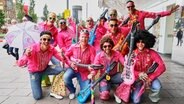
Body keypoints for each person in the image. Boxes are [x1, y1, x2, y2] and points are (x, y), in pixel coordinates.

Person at [118, 30, 166, 104]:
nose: (140, 44)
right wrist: (139, 74)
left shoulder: (152, 53)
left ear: (146, 42)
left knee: (157, 87)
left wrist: (151, 78)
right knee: (136, 101)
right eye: (138, 42)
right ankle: (136, 92)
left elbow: (162, 66)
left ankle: (153, 98)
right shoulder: (132, 54)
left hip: (149, 76)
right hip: (137, 78)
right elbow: (128, 70)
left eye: (142, 42)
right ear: (135, 43)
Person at [17, 31, 68, 100]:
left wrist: (63, 56)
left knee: (62, 69)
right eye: (44, 39)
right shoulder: (32, 48)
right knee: (37, 97)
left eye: (48, 39)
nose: (46, 41)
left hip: (45, 69)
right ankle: (38, 83)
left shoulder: (51, 48)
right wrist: (26, 55)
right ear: (40, 40)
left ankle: (55, 89)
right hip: (34, 73)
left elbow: (61, 58)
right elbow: (20, 64)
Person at [88, 36, 124, 103]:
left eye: (109, 46)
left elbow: (124, 62)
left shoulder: (117, 54)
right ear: (102, 47)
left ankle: (117, 91)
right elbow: (95, 68)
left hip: (115, 75)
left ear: (112, 46)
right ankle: (110, 86)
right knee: (104, 96)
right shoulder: (99, 56)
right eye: (105, 46)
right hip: (104, 77)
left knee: (125, 78)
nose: (107, 48)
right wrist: (92, 74)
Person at [63, 29, 96, 100]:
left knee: (87, 95)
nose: (84, 39)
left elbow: (93, 63)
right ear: (79, 37)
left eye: (86, 37)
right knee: (66, 77)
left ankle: (82, 83)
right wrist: (70, 63)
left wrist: (92, 73)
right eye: (82, 37)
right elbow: (65, 56)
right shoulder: (73, 46)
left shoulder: (92, 49)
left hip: (84, 72)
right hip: (73, 69)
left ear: (88, 38)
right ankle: (72, 91)